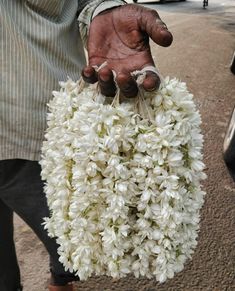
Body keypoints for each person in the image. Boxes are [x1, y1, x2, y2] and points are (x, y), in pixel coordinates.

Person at [0, 1, 172, 291]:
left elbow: (86, 3)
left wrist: (104, 9)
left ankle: (61, 280)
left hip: (39, 129)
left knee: (70, 247)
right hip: (33, 125)